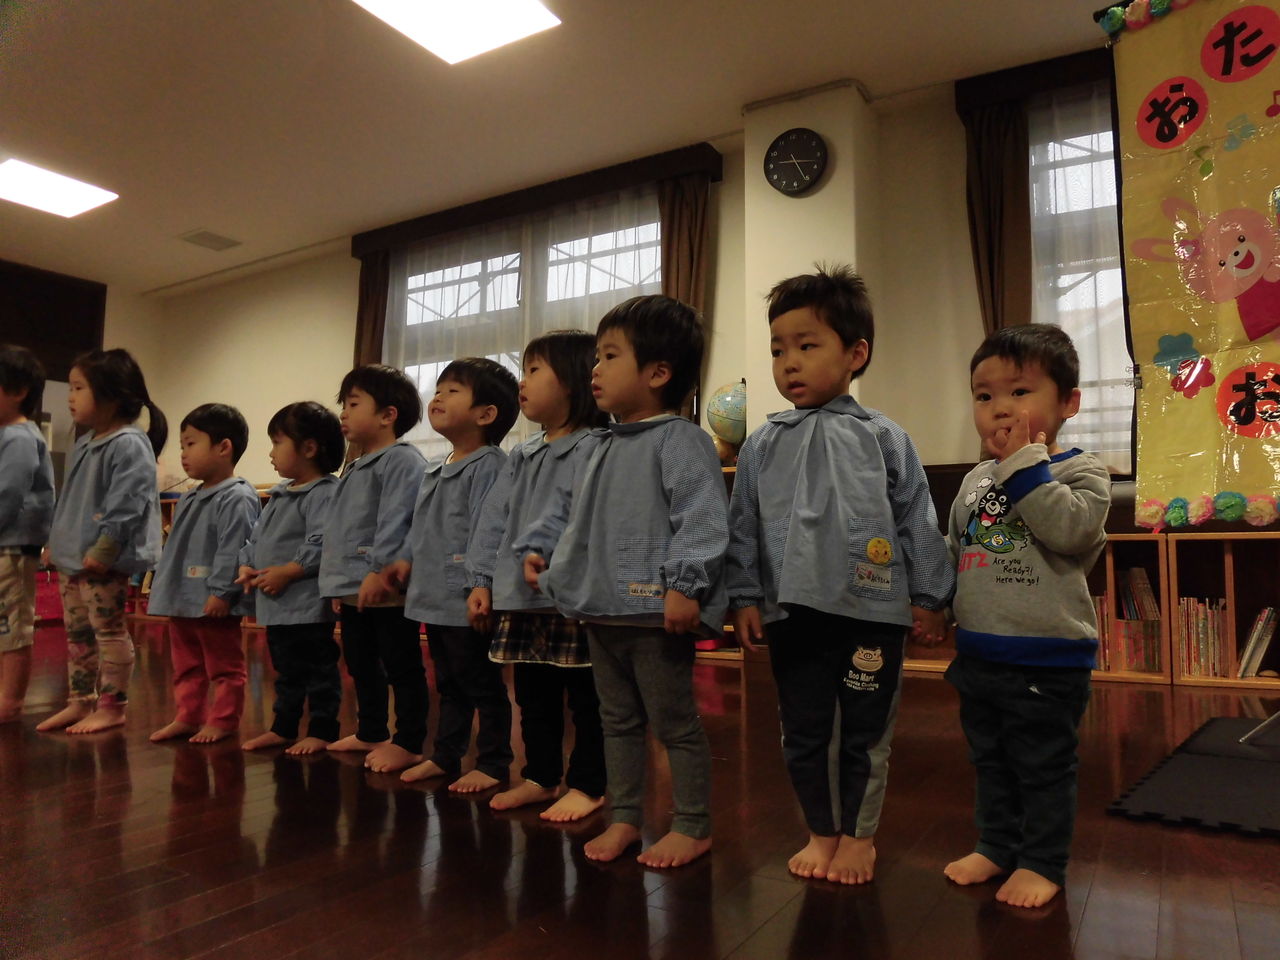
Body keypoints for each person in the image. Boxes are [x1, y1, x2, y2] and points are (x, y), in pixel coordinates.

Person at [727, 265, 953, 884]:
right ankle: (820, 832)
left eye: (807, 345)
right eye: (778, 350)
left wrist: (930, 596)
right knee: (801, 732)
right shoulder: (761, 444)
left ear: (856, 354)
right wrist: (743, 595)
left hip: (870, 615)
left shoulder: (885, 436)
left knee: (866, 733)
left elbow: (917, 518)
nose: (789, 363)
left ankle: (859, 836)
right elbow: (742, 524)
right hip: (791, 615)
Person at [530, 295, 727, 868]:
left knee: (673, 723)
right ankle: (625, 818)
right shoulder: (599, 444)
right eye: (597, 356)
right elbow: (576, 517)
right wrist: (548, 558)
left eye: (610, 356)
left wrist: (685, 585)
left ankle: (692, 825)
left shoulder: (680, 440)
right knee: (615, 721)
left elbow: (702, 517)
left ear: (658, 373)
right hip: (602, 609)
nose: (595, 368)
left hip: (653, 614)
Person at [942, 324, 1109, 909]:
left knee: (1042, 765)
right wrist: (934, 603)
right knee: (990, 760)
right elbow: (957, 549)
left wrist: (1022, 465)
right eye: (984, 396)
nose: (999, 409)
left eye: (1019, 392)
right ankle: (996, 844)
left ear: (1068, 403)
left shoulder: (1081, 473)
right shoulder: (975, 480)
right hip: (980, 653)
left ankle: (1041, 861)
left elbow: (1070, 531)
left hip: (1047, 656)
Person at [467, 331, 608, 821]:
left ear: (571, 380)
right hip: (520, 598)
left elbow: (592, 517)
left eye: (533, 370)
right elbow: (493, 521)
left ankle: (589, 784)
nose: (522, 383)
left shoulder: (597, 446)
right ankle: (541, 776)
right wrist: (482, 579)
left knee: (587, 699)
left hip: (573, 599)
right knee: (533, 696)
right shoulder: (523, 454)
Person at [386, 358, 519, 790]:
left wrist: (482, 585)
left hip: (464, 597)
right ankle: (446, 755)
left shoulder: (489, 465)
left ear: (486, 414)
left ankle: (494, 762)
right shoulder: (435, 466)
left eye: (453, 391)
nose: (438, 396)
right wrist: (405, 560)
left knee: (481, 683)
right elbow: (420, 527)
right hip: (432, 596)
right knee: (448, 682)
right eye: (438, 389)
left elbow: (489, 530)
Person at [41, 348, 167, 734]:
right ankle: (80, 701)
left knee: (108, 631)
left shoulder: (129, 443)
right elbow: (70, 500)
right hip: (74, 557)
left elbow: (128, 503)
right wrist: (55, 544)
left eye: (79, 388)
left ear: (111, 396)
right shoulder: (85, 442)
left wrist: (105, 548)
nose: (71, 396)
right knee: (77, 633)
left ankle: (113, 706)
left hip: (102, 560)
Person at [318, 364, 427, 773]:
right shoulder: (356, 465)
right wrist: (337, 584)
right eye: (343, 405)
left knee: (401, 665)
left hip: (385, 586)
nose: (343, 413)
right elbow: (342, 528)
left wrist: (379, 569)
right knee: (360, 663)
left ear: (387, 415)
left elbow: (397, 518)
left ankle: (409, 741)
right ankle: (371, 730)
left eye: (353, 404)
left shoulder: (401, 460)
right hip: (353, 587)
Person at [237, 401, 345, 755]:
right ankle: (283, 727)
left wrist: (289, 571)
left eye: (277, 443)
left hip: (307, 607)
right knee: (285, 672)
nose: (271, 453)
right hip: (278, 607)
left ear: (309, 448)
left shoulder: (324, 492)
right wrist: (246, 564)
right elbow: (257, 538)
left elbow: (323, 541)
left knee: (318, 671)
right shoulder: (281, 493)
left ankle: (323, 729)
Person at [148, 403, 260, 744]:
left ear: (223, 447)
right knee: (186, 664)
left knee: (223, 664)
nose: (183, 453)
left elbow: (234, 548)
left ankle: (224, 720)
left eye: (191, 444)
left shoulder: (237, 496)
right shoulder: (190, 497)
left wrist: (221, 592)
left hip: (212, 601)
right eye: (182, 445)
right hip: (182, 598)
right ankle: (188, 716)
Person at [0, 345, 55, 723]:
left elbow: (8, 493)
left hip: (13, 545)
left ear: (19, 391)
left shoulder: (19, 437)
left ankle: (10, 702)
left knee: (12, 623)